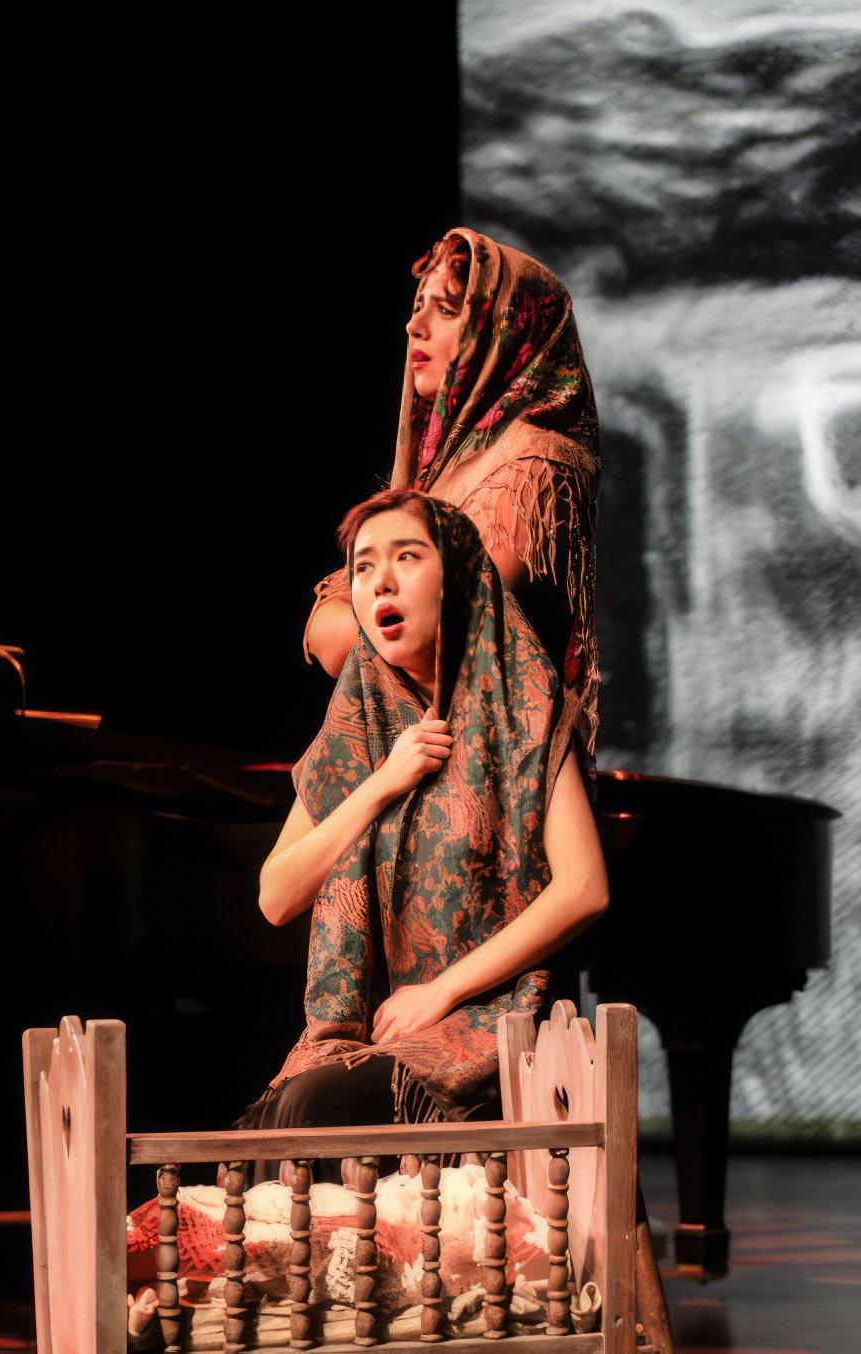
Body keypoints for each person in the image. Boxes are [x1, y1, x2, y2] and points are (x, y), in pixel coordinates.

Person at [242, 489, 608, 1166]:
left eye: (407, 557)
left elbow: (584, 887)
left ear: (460, 578)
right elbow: (276, 896)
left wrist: (441, 991)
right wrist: (383, 782)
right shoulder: (360, 718)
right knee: (288, 1116)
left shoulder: (521, 705)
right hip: (368, 1034)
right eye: (362, 566)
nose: (379, 580)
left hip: (483, 1023)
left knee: (312, 1111)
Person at [303, 227, 603, 769]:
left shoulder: (537, 462)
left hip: (492, 773)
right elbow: (327, 630)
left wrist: (360, 619)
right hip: (410, 761)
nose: (413, 326)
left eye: (444, 311)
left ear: (502, 333)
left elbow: (447, 635)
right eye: (418, 307)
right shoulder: (435, 472)